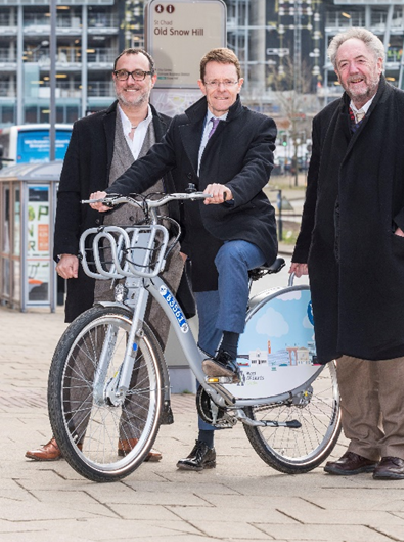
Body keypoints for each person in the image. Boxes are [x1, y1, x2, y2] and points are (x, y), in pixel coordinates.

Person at [89, 47, 278, 471]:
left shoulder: (257, 125)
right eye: (214, 81)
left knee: (231, 263)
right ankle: (205, 443)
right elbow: (152, 164)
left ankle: (231, 353)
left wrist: (229, 188)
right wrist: (115, 193)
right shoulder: (185, 125)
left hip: (247, 231)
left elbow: (257, 169)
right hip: (203, 244)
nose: (222, 88)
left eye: (229, 81)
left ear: (239, 83)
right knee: (200, 348)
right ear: (202, 85)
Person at [290, 28, 404, 480]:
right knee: (351, 355)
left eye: (359, 61)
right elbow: (316, 194)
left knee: (396, 354)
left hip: (392, 260)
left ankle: (397, 449)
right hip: (339, 261)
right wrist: (305, 248)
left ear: (379, 64)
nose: (352, 71)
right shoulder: (326, 121)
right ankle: (362, 445)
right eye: (343, 65)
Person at [26, 48, 185, 463]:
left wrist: (190, 249)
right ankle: (66, 435)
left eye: (139, 74)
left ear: (153, 79)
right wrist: (65, 249)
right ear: (115, 80)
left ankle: (133, 437)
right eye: (123, 74)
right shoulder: (89, 129)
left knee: (148, 340)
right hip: (101, 251)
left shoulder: (173, 130)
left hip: (157, 252)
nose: (131, 81)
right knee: (85, 340)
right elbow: (69, 190)